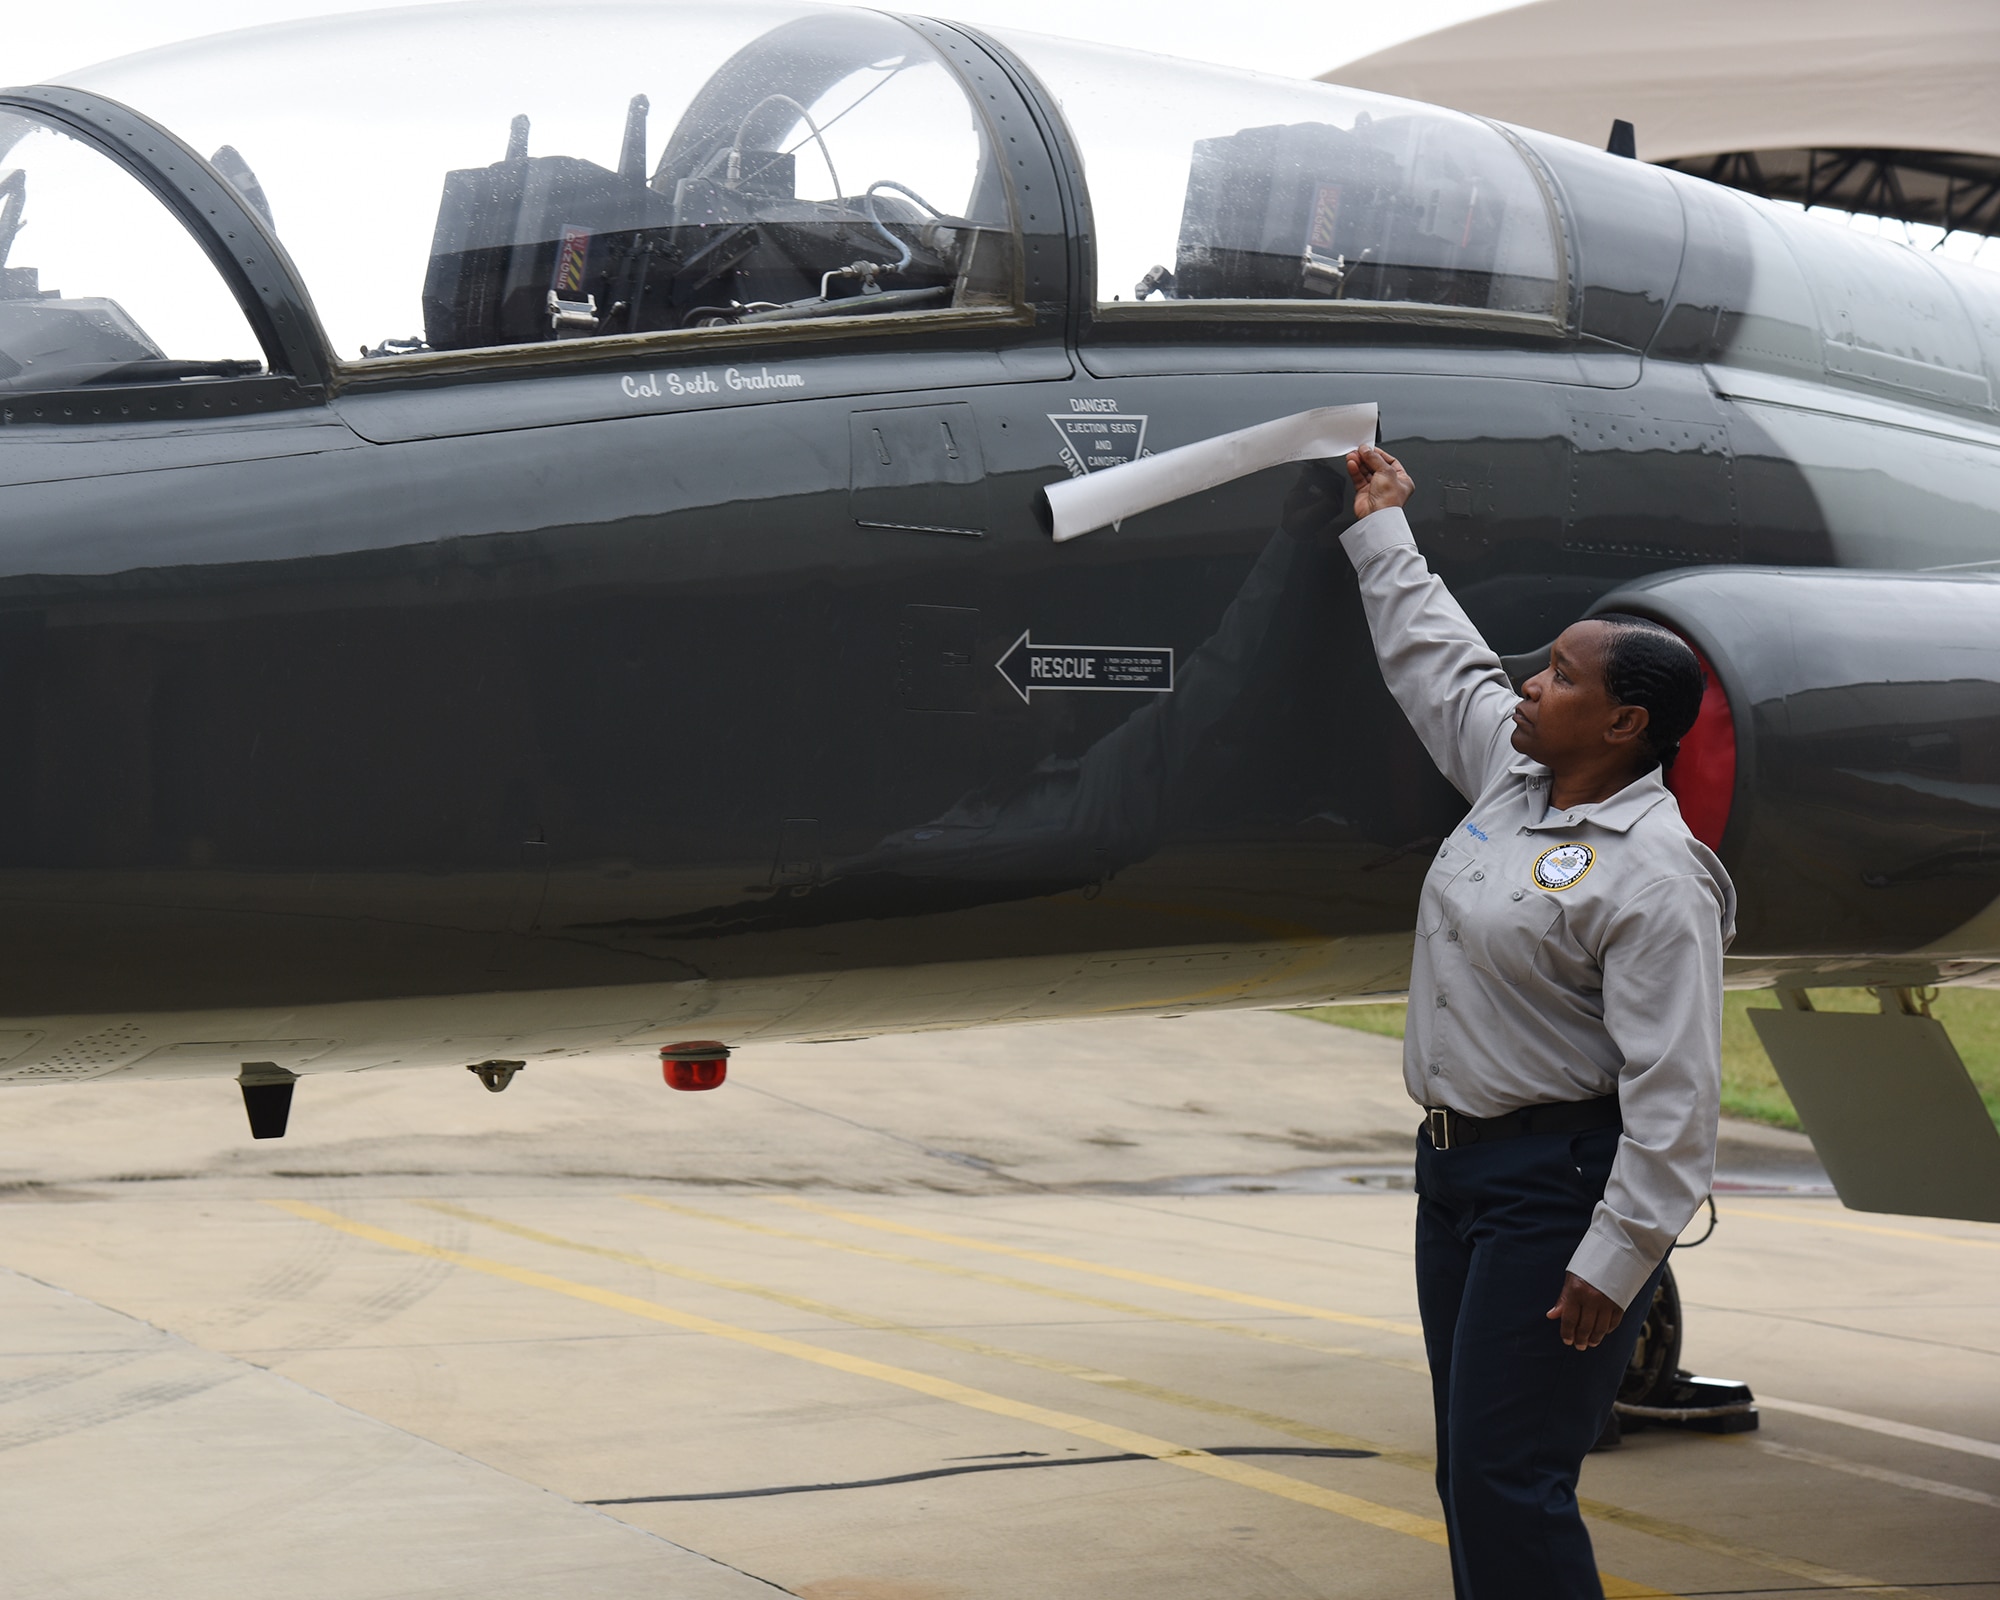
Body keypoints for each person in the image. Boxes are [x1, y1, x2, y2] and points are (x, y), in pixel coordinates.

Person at [1337, 444, 1735, 1599]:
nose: (1526, 684)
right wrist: (1380, 526)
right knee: (1471, 1472)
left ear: (1619, 726)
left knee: (1511, 1475)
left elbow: (1676, 1097)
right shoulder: (1515, 784)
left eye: (1557, 676)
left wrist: (1616, 1260)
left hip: (1556, 1189)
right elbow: (1433, 659)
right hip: (1454, 1175)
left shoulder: (1656, 877)